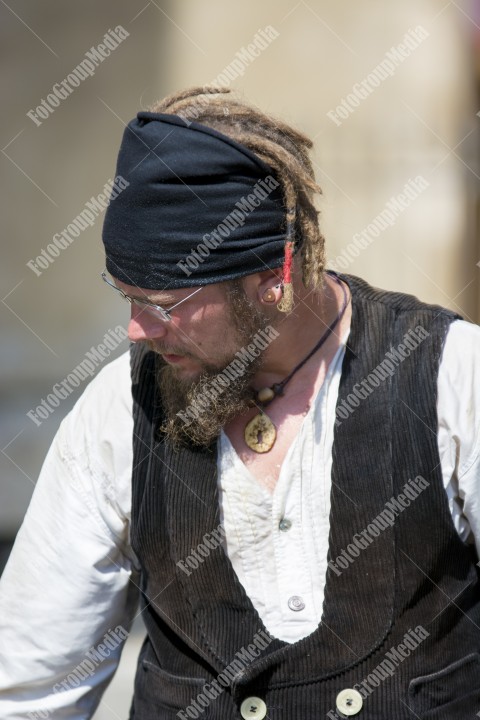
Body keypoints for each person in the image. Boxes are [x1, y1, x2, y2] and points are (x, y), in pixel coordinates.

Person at [0, 86, 479, 720]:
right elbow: (31, 688)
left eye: (164, 305)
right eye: (127, 297)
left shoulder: (450, 375)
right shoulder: (118, 410)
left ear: (273, 278)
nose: (137, 331)